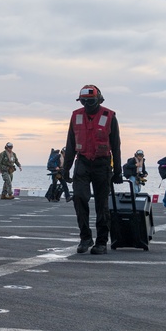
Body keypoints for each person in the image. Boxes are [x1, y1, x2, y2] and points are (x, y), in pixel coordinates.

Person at [63, 85, 122, 255]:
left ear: (98, 100)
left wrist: (118, 171)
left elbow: (116, 146)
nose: (87, 104)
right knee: (79, 198)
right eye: (84, 101)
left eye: (90, 101)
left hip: (102, 164)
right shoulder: (76, 116)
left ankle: (101, 242)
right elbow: (71, 144)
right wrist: (66, 168)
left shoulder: (109, 116)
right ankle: (85, 237)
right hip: (82, 162)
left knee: (101, 204)